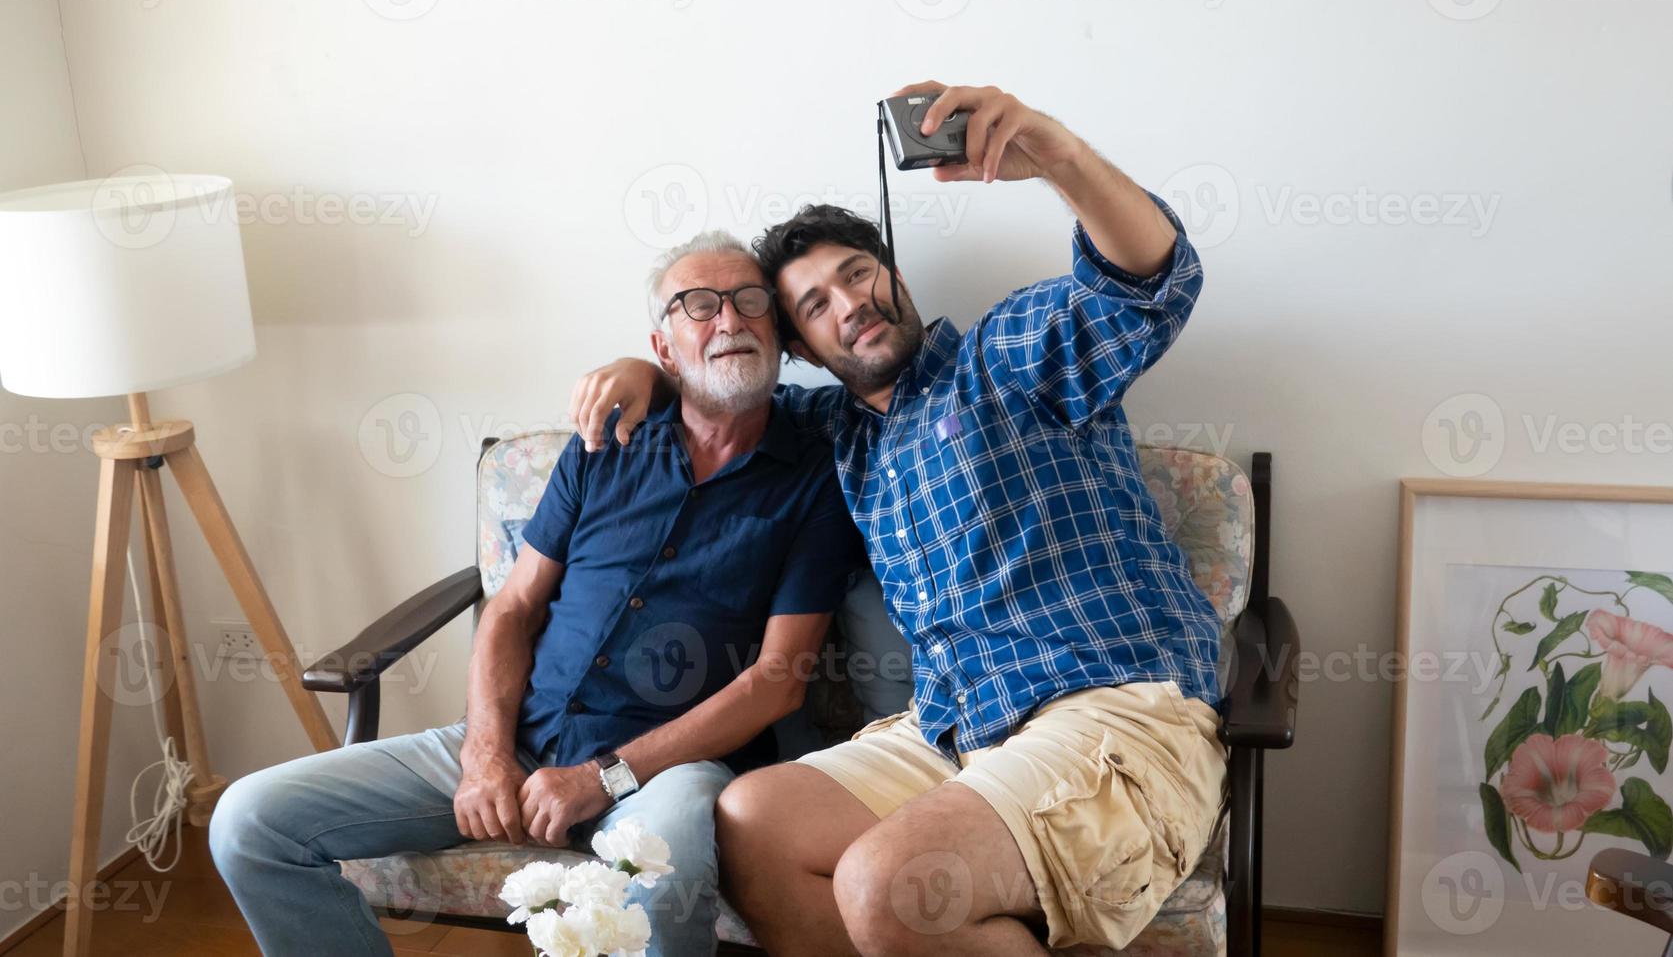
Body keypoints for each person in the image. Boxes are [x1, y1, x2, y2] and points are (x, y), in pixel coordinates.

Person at [567, 82, 1227, 955]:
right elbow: (723, 393)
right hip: (956, 726)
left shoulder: (1007, 358)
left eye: (858, 274)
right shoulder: (830, 432)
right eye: (815, 303)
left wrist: (1055, 155)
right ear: (801, 347)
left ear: (895, 277)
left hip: (1114, 707)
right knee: (749, 819)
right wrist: (645, 369)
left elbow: (1149, 283)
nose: (850, 304)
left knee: (892, 883)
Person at [209, 231, 863, 957]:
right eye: (698, 306)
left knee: (665, 863)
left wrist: (601, 777)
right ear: (664, 347)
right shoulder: (602, 446)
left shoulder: (816, 472)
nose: (730, 321)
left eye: (749, 303)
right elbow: (513, 609)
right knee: (249, 821)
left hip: (666, 770)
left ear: (779, 331)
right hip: (515, 734)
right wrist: (485, 754)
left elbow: (777, 680)